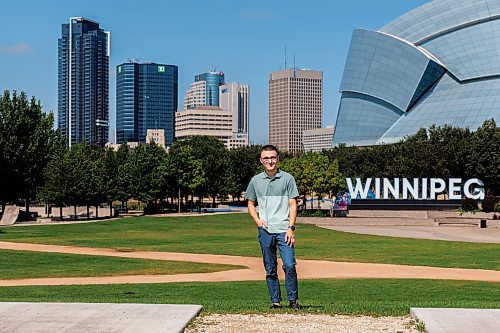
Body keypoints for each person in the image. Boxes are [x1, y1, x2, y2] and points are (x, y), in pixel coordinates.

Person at [245, 144, 300, 310]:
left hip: (284, 230)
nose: (270, 161)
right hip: (266, 231)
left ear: (278, 159)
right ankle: (275, 302)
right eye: (266, 158)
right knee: (270, 268)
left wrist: (291, 227)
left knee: (289, 265)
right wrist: (257, 221)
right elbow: (250, 203)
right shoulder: (255, 181)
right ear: (261, 160)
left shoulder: (288, 179)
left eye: (273, 157)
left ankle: (293, 301)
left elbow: (293, 203)